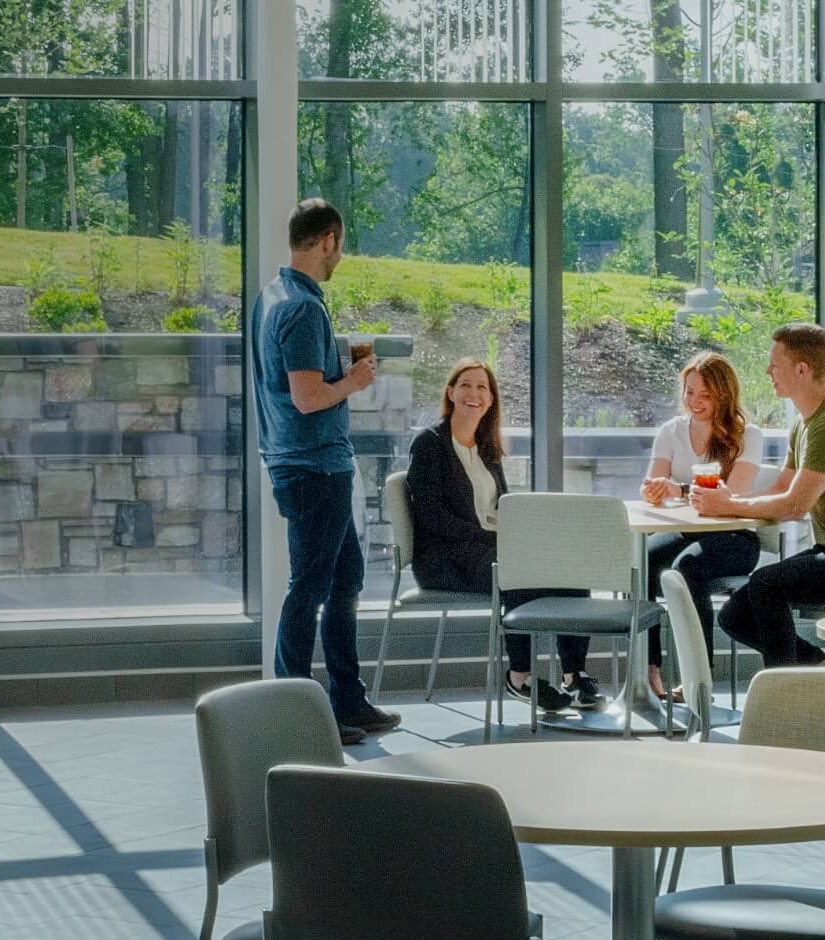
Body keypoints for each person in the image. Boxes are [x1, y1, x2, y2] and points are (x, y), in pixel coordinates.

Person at [251, 198, 401, 745]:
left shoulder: (271, 296)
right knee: (310, 587)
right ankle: (294, 709)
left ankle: (349, 701)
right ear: (329, 241)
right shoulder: (304, 309)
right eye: (341, 246)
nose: (341, 255)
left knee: (344, 581)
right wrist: (355, 382)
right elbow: (309, 397)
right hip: (315, 467)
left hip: (300, 463)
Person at [691, 323, 825, 667]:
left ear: (801, 370)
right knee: (733, 615)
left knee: (766, 585)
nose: (767, 371)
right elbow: (779, 490)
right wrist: (728, 504)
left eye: (775, 364)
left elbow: (793, 506)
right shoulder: (805, 424)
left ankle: (785, 694)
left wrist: (728, 505)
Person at [406, 358, 605, 712]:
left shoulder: (486, 447)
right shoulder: (429, 443)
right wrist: (494, 540)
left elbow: (503, 508)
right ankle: (520, 677)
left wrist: (522, 535)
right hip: (444, 560)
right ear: (450, 393)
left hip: (486, 551)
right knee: (518, 573)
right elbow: (430, 515)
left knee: (571, 570)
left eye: (483, 387)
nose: (474, 393)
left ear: (491, 399)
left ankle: (574, 675)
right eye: (465, 385)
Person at [638, 351, 763, 700]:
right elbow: (652, 483)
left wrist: (677, 489)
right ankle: (649, 669)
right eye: (690, 392)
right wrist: (652, 489)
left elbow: (734, 493)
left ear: (724, 395)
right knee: (643, 561)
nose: (695, 401)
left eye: (704, 394)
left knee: (688, 566)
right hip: (684, 532)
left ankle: (699, 680)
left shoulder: (746, 435)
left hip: (734, 537)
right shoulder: (670, 432)